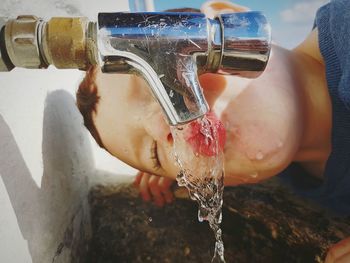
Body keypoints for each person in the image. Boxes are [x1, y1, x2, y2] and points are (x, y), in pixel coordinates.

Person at [76, 1, 350, 261]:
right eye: (155, 152)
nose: (164, 126)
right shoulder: (305, 179)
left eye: (161, 77)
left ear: (228, 20)